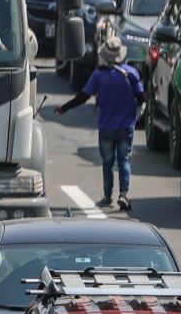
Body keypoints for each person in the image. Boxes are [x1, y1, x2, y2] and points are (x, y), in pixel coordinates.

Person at [56, 34, 146, 210]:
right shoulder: (131, 73)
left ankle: (107, 196)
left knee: (107, 162)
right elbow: (142, 97)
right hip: (126, 125)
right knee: (124, 160)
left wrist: (64, 108)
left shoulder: (99, 75)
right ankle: (123, 194)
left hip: (106, 126)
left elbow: (83, 96)